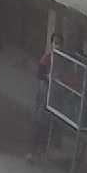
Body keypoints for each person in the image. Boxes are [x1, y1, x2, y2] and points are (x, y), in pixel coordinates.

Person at [27, 33, 62, 163]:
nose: (57, 45)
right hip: (43, 95)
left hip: (54, 98)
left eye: (59, 43)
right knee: (39, 123)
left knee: (48, 126)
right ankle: (32, 151)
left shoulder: (63, 61)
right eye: (55, 42)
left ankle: (43, 151)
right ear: (51, 44)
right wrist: (49, 77)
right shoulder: (46, 58)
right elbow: (40, 75)